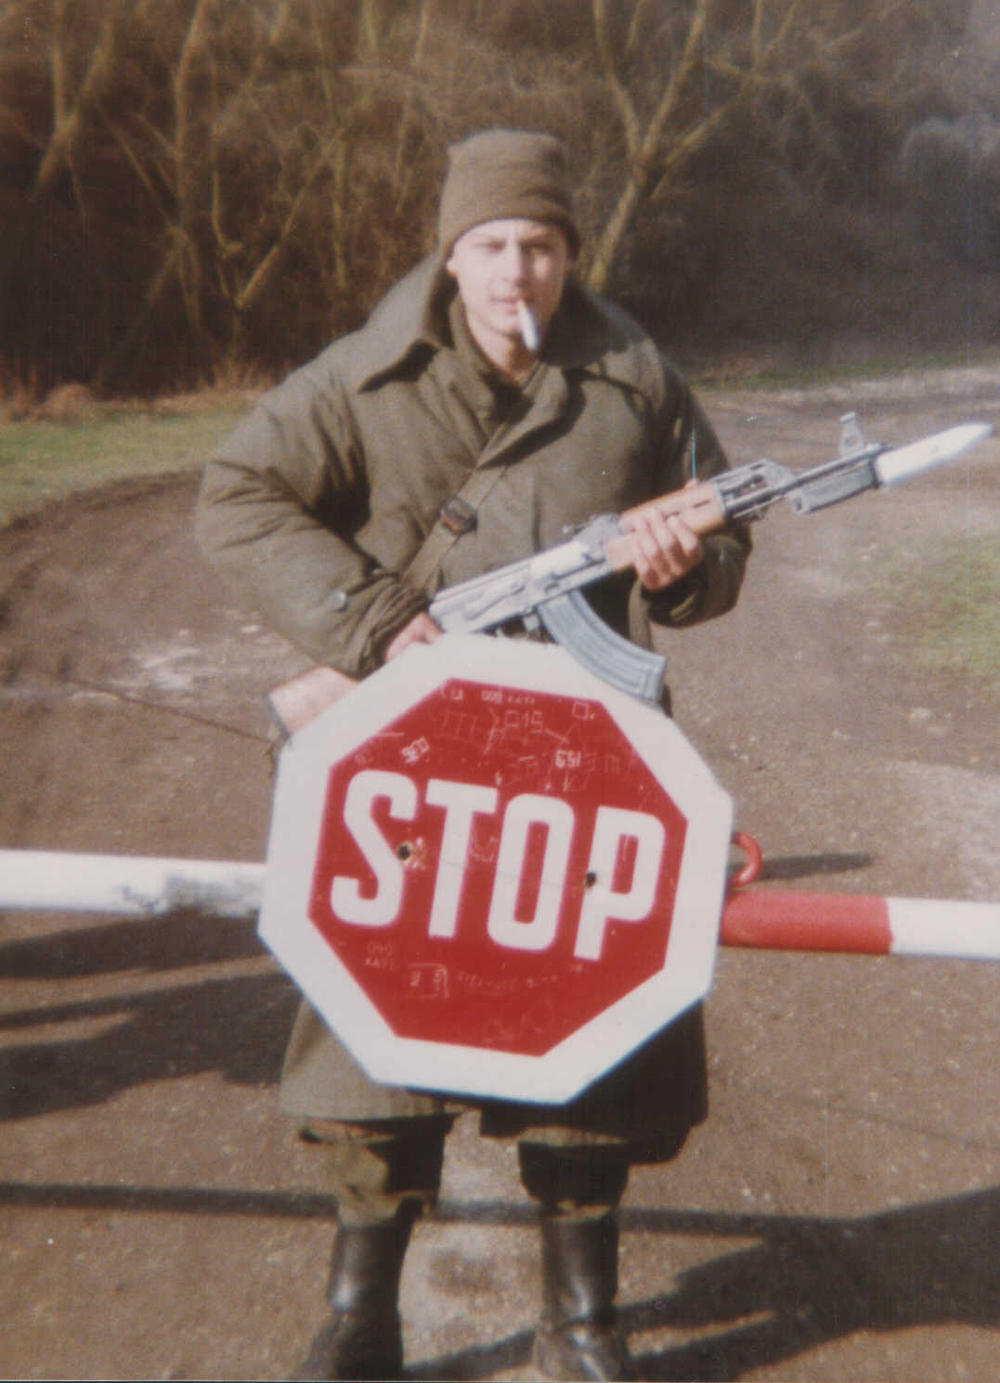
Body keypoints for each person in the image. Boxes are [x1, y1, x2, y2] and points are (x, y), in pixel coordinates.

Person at [196, 128, 751, 1382]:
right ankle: (360, 1310)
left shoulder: (638, 378)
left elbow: (719, 550)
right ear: (454, 253)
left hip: (574, 761)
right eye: (494, 245)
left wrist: (686, 563)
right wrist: (377, 622)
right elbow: (234, 494)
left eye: (543, 245)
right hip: (410, 753)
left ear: (570, 255)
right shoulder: (361, 378)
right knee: (370, 1022)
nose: (520, 273)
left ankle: (582, 1316)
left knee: (591, 1020)